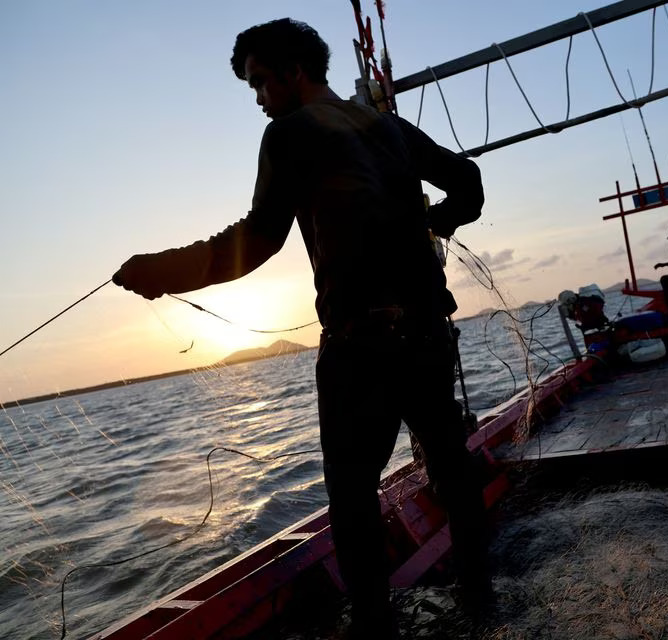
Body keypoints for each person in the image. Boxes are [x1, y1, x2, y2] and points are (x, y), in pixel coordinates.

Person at [112, 18, 489, 637]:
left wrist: (161, 272)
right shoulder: (389, 127)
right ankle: (482, 599)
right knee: (451, 467)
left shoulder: (290, 132)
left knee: (351, 497)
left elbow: (258, 239)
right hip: (427, 335)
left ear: (294, 72)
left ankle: (374, 626)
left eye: (261, 82)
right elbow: (469, 185)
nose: (258, 98)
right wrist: (433, 227)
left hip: (359, 349)